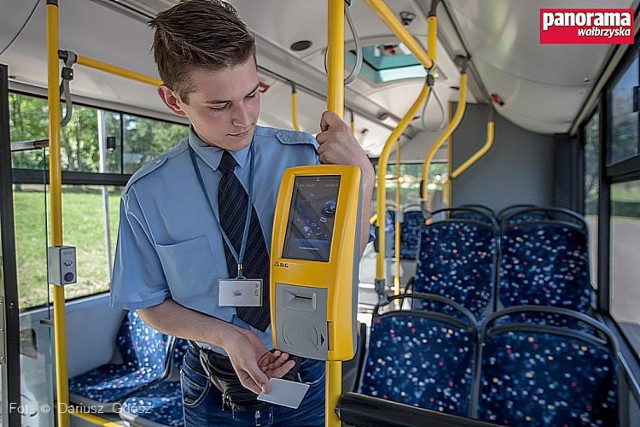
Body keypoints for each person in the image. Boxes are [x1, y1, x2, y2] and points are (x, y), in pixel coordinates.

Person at [109, 0, 375, 425]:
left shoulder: (307, 160)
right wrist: (227, 336)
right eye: (219, 106)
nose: (244, 118)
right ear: (173, 100)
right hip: (209, 381)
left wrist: (363, 178)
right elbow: (148, 303)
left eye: (252, 95)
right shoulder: (148, 193)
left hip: (304, 369)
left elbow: (344, 262)